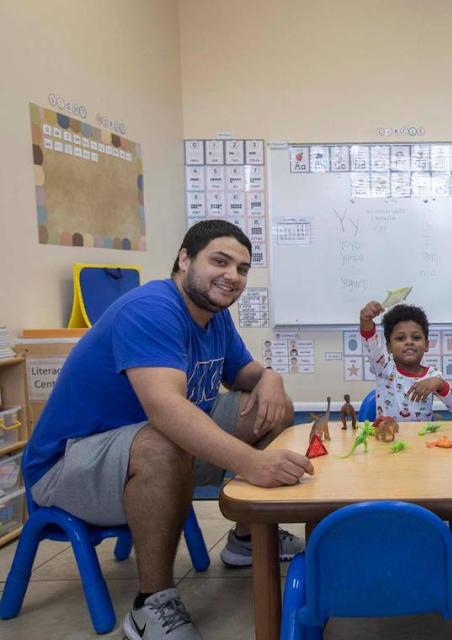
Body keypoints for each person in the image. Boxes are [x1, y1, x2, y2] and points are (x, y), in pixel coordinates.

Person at [24, 221, 313, 640]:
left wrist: (271, 377)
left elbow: (242, 373)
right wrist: (253, 464)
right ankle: (151, 603)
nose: (233, 275)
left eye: (243, 268)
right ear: (184, 259)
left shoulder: (215, 319)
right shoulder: (151, 308)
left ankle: (246, 541)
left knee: (274, 408)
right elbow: (165, 409)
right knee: (165, 440)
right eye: (220, 260)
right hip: (67, 466)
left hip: (142, 450)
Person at [359, 300, 452, 420]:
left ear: (426, 345)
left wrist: (439, 384)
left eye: (416, 337)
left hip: (421, 438)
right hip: (389, 436)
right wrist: (365, 320)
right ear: (389, 347)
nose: (409, 342)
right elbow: (370, 345)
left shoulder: (433, 376)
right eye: (400, 338)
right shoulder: (383, 367)